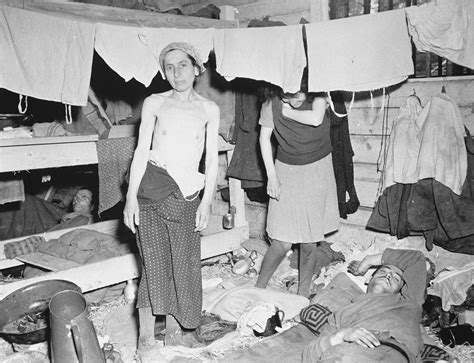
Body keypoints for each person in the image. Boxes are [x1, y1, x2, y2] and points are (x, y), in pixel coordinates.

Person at [123, 42, 220, 351]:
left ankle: (176, 334)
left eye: (182, 65)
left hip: (188, 194)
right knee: (153, 265)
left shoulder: (208, 109)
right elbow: (141, 152)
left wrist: (206, 201)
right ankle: (146, 340)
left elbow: (213, 160)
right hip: (152, 189)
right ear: (164, 73)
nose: (177, 73)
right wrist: (130, 199)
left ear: (196, 68)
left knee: (184, 266)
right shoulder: (155, 102)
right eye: (169, 67)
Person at [255, 84, 340, 298]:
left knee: (309, 239)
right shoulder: (271, 103)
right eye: (287, 97)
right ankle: (258, 288)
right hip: (286, 166)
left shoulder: (319, 95)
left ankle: (302, 294)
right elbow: (264, 138)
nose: (293, 101)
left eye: (297, 96)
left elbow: (315, 119)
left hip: (316, 166)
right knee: (281, 240)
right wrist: (272, 176)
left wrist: (286, 111)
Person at [302, 248, 428, 362]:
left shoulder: (409, 302)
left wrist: (368, 261)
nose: (388, 275)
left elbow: (415, 259)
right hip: (353, 351)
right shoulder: (342, 313)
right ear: (368, 280)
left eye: (396, 278)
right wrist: (341, 335)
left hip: (398, 354)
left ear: (400, 290)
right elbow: (309, 355)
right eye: (383, 271)